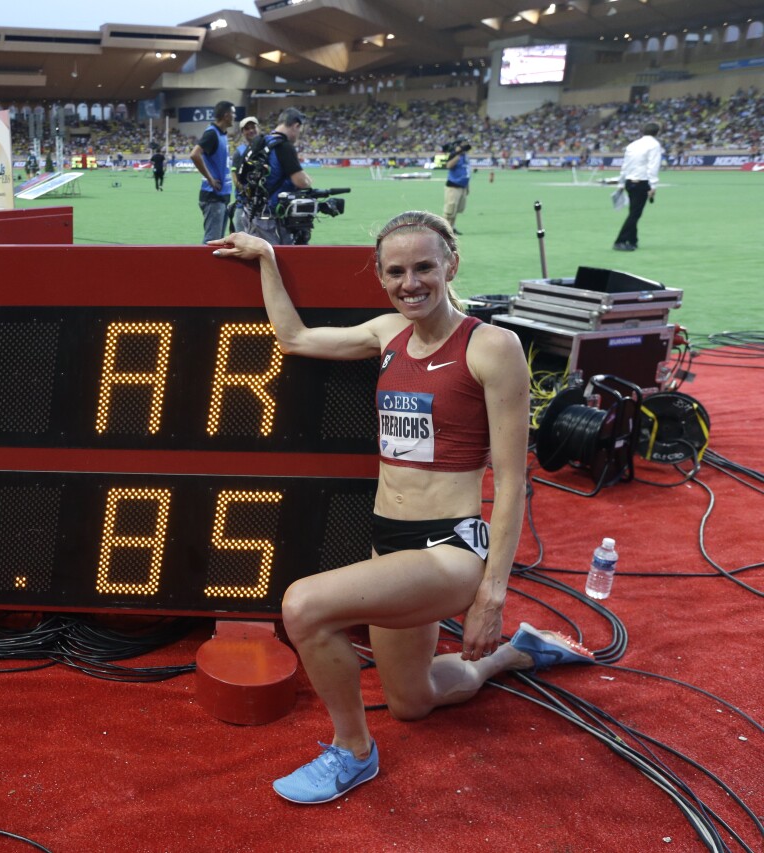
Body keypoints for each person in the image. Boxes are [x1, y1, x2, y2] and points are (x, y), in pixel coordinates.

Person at [207, 210, 593, 805]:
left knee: (304, 607)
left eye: (423, 268)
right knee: (413, 702)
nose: (410, 282)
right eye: (395, 272)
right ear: (382, 279)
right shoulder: (387, 333)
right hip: (390, 539)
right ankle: (519, 652)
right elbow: (294, 340)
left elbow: (514, 482)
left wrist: (491, 594)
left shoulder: (491, 347)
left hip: (450, 549)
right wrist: (266, 257)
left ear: (450, 266)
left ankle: (353, 752)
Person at [245, 108, 313, 246]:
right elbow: (301, 182)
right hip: (271, 217)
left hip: (252, 211)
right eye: (299, 130)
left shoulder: (262, 141)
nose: (299, 134)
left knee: (257, 258)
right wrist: (308, 181)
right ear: (296, 125)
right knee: (274, 259)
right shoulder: (284, 146)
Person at [613, 121, 662, 252]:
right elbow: (653, 166)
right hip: (642, 181)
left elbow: (625, 165)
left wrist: (621, 183)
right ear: (657, 132)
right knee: (635, 214)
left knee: (633, 212)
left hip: (630, 181)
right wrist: (653, 185)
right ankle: (620, 241)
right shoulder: (654, 145)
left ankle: (633, 240)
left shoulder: (632, 145)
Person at [190, 100, 235, 243]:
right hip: (213, 196)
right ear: (227, 115)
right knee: (212, 241)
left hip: (222, 195)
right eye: (233, 113)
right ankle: (203, 266)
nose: (235, 116)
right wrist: (210, 178)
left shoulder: (221, 134)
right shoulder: (212, 134)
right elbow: (194, 154)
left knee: (219, 240)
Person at [230, 116, 260, 232]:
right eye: (247, 128)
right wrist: (247, 191)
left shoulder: (264, 149)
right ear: (242, 132)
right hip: (243, 206)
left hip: (260, 207)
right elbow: (234, 177)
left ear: (258, 128)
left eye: (253, 127)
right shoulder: (240, 152)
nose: (251, 130)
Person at [443, 141, 471, 235]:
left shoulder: (465, 157)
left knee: (457, 209)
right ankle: (444, 229)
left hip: (462, 186)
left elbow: (466, 172)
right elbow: (449, 165)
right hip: (453, 186)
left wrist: (467, 187)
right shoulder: (455, 155)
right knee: (450, 210)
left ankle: (452, 227)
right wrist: (457, 154)